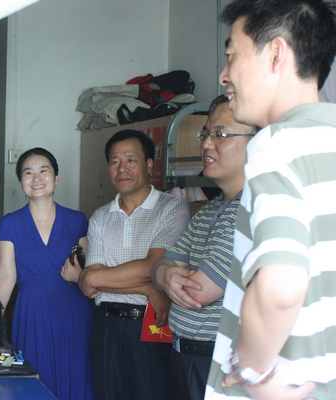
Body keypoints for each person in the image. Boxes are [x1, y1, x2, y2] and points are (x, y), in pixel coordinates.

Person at [205, 1, 336, 399]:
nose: (224, 75)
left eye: (232, 55)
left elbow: (281, 288)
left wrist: (252, 370)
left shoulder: (276, 145)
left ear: (276, 53)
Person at [150, 95, 257, 400]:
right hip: (184, 355)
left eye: (220, 134)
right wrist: (166, 274)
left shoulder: (251, 211)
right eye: (206, 134)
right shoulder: (208, 211)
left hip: (217, 361)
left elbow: (199, 292)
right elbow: (159, 267)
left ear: (256, 143)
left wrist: (170, 275)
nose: (207, 144)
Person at [78, 129, 190, 400]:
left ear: (149, 165)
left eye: (131, 159)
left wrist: (97, 277)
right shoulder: (100, 216)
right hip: (106, 327)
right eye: (115, 161)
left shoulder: (172, 208)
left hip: (152, 325)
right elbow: (89, 284)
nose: (122, 168)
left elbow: (153, 265)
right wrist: (148, 289)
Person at [0, 147, 95, 400]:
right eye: (28, 172)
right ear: (21, 181)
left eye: (43, 171)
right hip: (32, 314)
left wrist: (79, 274)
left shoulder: (77, 220)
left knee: (76, 378)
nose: (36, 178)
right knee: (36, 381)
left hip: (74, 312)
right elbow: (6, 275)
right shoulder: (9, 223)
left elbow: (92, 269)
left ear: (56, 178)